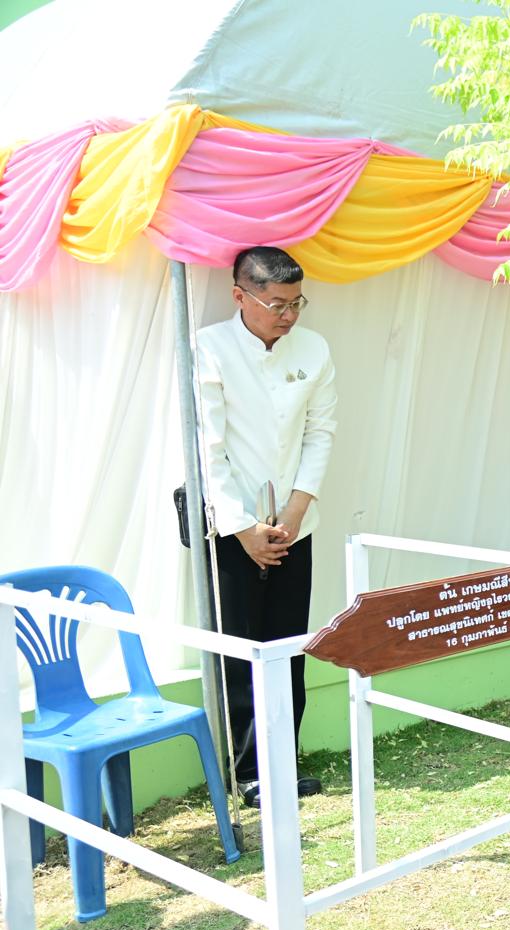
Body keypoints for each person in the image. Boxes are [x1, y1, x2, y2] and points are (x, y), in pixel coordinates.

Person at [197, 246, 337, 808]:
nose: (289, 315)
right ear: (240, 296)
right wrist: (243, 528)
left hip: (296, 524)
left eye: (296, 302)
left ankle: (284, 762)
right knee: (240, 649)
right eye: (277, 304)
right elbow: (208, 448)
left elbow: (321, 432)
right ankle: (248, 773)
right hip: (235, 529)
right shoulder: (209, 347)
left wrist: (298, 510)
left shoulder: (314, 348)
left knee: (288, 645)